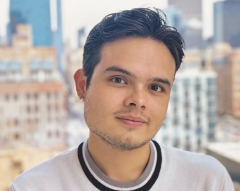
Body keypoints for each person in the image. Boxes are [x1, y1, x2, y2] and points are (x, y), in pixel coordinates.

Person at [9, 8, 235, 191]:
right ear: (81, 86)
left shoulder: (208, 181)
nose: (138, 100)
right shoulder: (33, 187)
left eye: (155, 87)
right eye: (119, 80)